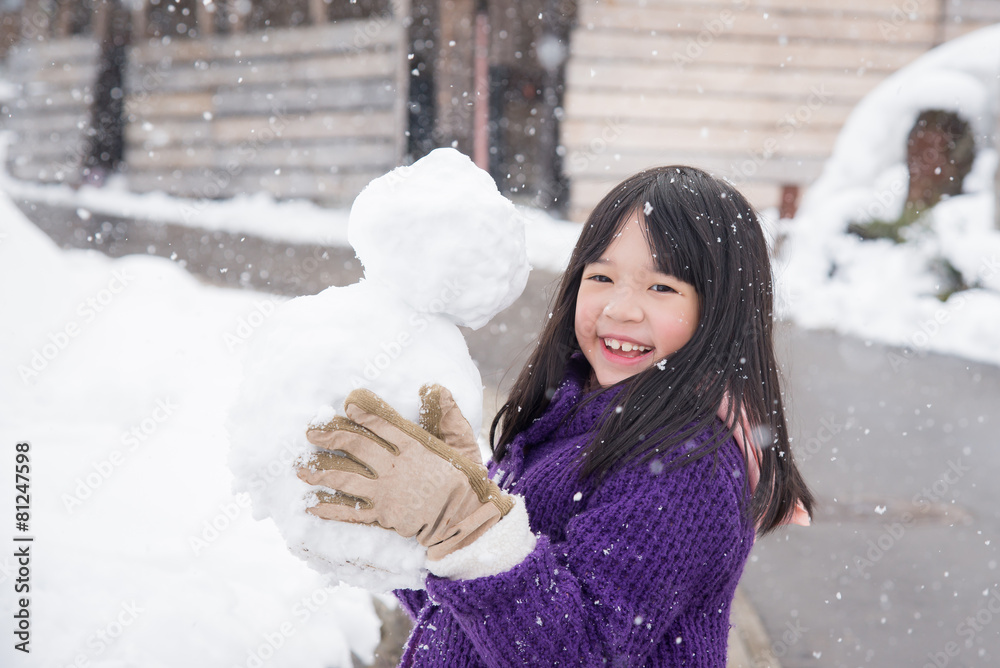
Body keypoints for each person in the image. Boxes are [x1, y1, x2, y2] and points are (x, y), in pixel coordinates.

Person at [298, 165, 815, 667]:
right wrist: (427, 527)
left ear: (722, 312)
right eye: (602, 276)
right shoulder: (569, 416)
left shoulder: (685, 465)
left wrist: (463, 524)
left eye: (661, 287)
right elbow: (476, 623)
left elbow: (580, 652)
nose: (620, 308)